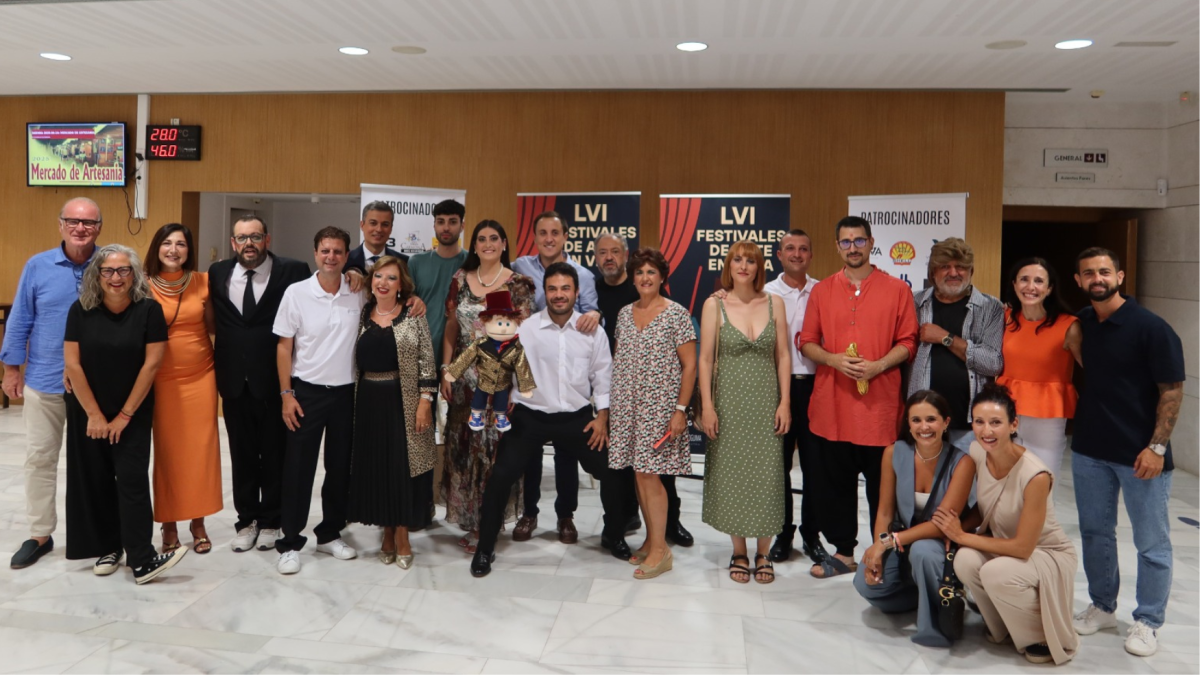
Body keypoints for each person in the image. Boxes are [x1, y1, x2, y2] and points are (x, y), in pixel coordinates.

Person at [471, 263, 633, 577]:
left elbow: (603, 377)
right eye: (553, 289)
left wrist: (602, 418)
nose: (559, 295)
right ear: (545, 293)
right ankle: (484, 547)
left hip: (577, 418)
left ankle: (613, 534)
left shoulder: (592, 331)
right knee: (501, 475)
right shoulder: (526, 328)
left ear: (576, 292)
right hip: (531, 417)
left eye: (565, 289)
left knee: (613, 470)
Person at [1069, 247, 1184, 658]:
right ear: (1079, 280)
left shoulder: (1151, 328)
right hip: (1089, 451)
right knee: (1095, 534)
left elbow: (1171, 391)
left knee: (1151, 543)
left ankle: (1149, 621)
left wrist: (1156, 447)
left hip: (1141, 455)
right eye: (1088, 273)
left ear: (1119, 275)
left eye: (1104, 271)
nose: (1097, 278)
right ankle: (1102, 606)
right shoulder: (1085, 321)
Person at [798, 216, 918, 578]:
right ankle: (844, 552)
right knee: (835, 484)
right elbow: (805, 341)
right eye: (846, 242)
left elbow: (908, 342)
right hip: (832, 406)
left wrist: (878, 365)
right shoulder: (822, 291)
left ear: (871, 243)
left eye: (859, 241)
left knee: (883, 489)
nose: (853, 248)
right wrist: (834, 360)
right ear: (837, 247)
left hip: (879, 409)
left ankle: (883, 553)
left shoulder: (897, 290)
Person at [63, 244, 187, 583]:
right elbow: (72, 363)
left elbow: (152, 366)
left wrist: (123, 416)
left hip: (132, 410)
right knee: (95, 479)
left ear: (134, 275)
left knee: (131, 481)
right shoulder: (81, 310)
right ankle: (107, 547)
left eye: (123, 270)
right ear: (97, 275)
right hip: (88, 411)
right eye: (108, 271)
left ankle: (142, 558)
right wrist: (95, 415)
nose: (115, 278)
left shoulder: (149, 311)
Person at [933, 384, 1078, 665]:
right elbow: (986, 505)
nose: (986, 431)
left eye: (996, 422)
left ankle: (1039, 637)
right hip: (1003, 543)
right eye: (979, 422)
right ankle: (1002, 627)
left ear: (1014, 424)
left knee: (995, 572)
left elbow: (1023, 548)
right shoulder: (977, 451)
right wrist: (956, 528)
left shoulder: (1035, 475)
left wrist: (960, 534)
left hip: (1046, 552)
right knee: (965, 561)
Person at [4, 198, 101, 569]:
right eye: (73, 221)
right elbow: (21, 317)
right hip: (44, 381)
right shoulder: (38, 266)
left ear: (99, 228)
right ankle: (39, 534)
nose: (80, 228)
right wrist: (12, 368)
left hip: (93, 387)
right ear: (60, 225)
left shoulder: (110, 266)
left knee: (91, 464)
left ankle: (94, 534)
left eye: (88, 223)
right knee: (40, 459)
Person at [208, 215, 310, 553]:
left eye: (255, 236)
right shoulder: (218, 273)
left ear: (267, 239)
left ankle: (271, 520)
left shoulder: (292, 270)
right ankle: (246, 519)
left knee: (276, 453)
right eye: (241, 237)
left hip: (275, 380)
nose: (248, 243)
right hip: (234, 381)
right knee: (242, 454)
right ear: (233, 242)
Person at [698, 241, 791, 584]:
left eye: (750, 261)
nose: (743, 266)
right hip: (729, 402)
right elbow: (705, 359)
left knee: (767, 475)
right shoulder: (714, 305)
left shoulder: (774, 302)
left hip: (767, 401)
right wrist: (707, 406)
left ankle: (763, 552)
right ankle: (739, 551)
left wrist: (785, 402)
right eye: (737, 259)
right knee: (733, 472)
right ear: (728, 264)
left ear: (758, 267)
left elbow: (783, 355)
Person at [440, 220, 536, 552]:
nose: (487, 244)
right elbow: (451, 327)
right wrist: (446, 370)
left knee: (493, 454)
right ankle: (471, 519)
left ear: (504, 243)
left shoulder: (518, 284)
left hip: (500, 383)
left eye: (494, 238)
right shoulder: (459, 281)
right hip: (464, 385)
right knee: (465, 451)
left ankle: (488, 523)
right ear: (475, 245)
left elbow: (525, 338)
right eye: (481, 239)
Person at [593, 232, 694, 547]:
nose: (645, 277)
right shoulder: (624, 314)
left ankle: (661, 543)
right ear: (633, 278)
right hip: (627, 411)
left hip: (660, 411)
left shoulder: (676, 313)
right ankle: (651, 540)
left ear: (662, 276)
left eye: (652, 271)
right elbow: (620, 362)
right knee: (638, 476)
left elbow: (690, 366)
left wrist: (680, 411)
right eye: (640, 272)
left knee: (656, 478)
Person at [854, 390, 976, 647]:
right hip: (900, 539)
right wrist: (877, 549)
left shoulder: (963, 462)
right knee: (866, 585)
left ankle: (935, 625)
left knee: (922, 551)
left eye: (931, 419)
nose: (924, 427)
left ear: (946, 422)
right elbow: (885, 511)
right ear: (907, 424)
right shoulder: (893, 453)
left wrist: (888, 542)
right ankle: (922, 593)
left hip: (936, 542)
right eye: (916, 420)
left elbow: (941, 524)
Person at [272, 227, 362, 574]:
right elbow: (284, 346)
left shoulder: (358, 292)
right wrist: (286, 394)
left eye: (338, 251)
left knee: (339, 467)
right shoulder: (296, 293)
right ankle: (290, 542)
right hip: (306, 392)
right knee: (298, 469)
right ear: (315, 253)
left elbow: (392, 302)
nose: (331, 257)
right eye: (325, 250)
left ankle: (329, 534)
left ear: (346, 256)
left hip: (345, 393)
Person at [509, 211, 601, 544]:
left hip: (566, 373)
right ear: (535, 237)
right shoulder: (519, 267)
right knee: (529, 452)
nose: (549, 238)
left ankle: (566, 516)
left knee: (567, 453)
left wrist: (594, 313)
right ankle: (529, 513)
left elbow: (592, 313)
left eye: (555, 233)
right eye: (543, 233)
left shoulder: (583, 275)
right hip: (530, 372)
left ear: (565, 236)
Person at [346, 256, 436, 569]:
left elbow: (427, 360)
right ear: (372, 281)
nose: (383, 283)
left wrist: (425, 400)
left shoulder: (413, 314)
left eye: (392, 278)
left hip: (405, 401)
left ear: (402, 285)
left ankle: (401, 535)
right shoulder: (361, 313)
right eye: (379, 276)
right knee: (377, 469)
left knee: (401, 469)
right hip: (368, 400)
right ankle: (385, 532)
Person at [144, 224, 222, 555]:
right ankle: (169, 524)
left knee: (200, 450)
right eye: (167, 243)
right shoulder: (143, 285)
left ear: (189, 250)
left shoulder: (203, 281)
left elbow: (214, 327)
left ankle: (198, 521)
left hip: (201, 375)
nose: (174, 249)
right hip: (161, 378)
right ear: (156, 248)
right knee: (168, 452)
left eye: (181, 244)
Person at [907, 238, 1004, 449]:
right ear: (933, 273)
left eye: (961, 267)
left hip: (969, 422)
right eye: (945, 267)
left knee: (966, 482)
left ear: (971, 271)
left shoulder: (991, 307)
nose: (953, 273)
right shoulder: (913, 303)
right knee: (924, 482)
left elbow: (993, 363)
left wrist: (945, 337)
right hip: (922, 420)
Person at [762, 229, 823, 563]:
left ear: (811, 255)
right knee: (778, 467)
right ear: (779, 254)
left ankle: (811, 534)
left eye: (803, 248)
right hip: (776, 389)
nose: (797, 254)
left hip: (817, 388)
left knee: (814, 467)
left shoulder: (825, 291)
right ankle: (783, 533)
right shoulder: (766, 293)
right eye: (790, 248)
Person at [997, 258, 1082, 477]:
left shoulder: (1069, 325)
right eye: (1024, 280)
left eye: (1038, 281)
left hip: (1047, 414)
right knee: (1004, 481)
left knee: (1042, 479)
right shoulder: (1004, 318)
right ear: (1014, 284)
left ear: (1049, 288)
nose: (1030, 287)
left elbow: (1093, 368)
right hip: (1005, 409)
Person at [408, 199, 467, 365]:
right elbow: (406, 300)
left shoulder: (472, 263)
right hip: (423, 353)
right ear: (434, 225)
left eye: (453, 222)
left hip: (461, 356)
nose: (446, 228)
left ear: (462, 226)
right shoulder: (416, 262)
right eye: (440, 222)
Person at [346, 200, 409, 271]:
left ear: (391, 228)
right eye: (373, 223)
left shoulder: (404, 262)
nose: (379, 229)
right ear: (362, 225)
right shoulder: (345, 260)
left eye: (385, 224)